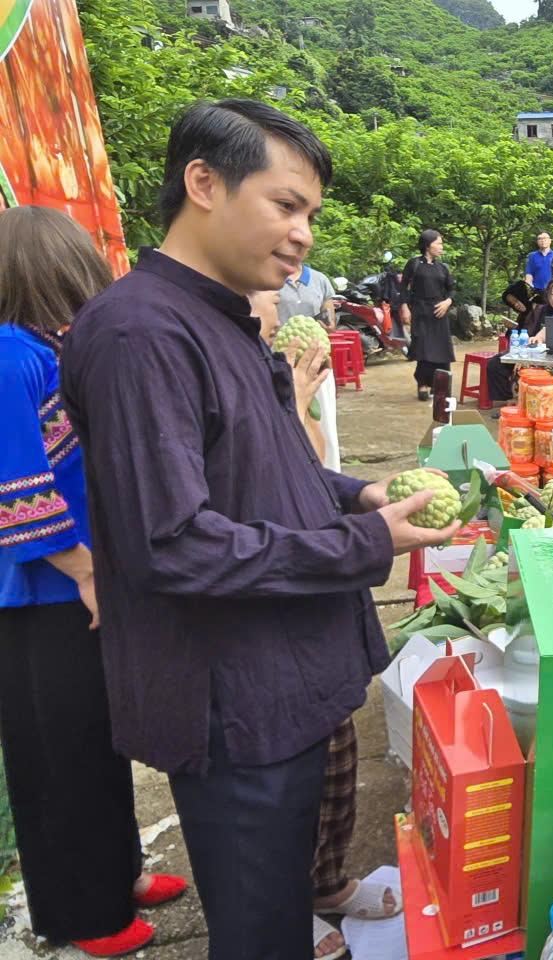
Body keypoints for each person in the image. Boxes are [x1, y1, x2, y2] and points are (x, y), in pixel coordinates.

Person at [59, 98, 461, 960]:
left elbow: (263, 469)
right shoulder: (141, 334)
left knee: (280, 907)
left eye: (310, 213)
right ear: (203, 183)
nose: (305, 233)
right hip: (230, 701)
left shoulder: (225, 318)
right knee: (258, 931)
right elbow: (172, 540)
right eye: (286, 205)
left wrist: (358, 494)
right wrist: (366, 544)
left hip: (277, 683)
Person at [0, 206, 186, 957]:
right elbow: (17, 490)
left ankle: (119, 872)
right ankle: (84, 913)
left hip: (80, 585)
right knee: (58, 759)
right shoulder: (11, 356)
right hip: (45, 596)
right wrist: (84, 574)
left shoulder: (49, 350)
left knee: (101, 743)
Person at [247, 288, 401, 959]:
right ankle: (286, 900)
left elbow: (320, 480)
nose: (281, 338)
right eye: (269, 324)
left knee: (340, 755)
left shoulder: (272, 381)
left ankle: (329, 883)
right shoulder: (239, 390)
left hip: (323, 609)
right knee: (294, 780)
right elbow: (292, 480)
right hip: (277, 611)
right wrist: (299, 406)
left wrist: (367, 493)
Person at [275, 267, 340, 469]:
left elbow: (330, 321)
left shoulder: (319, 279)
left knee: (323, 422)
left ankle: (328, 471)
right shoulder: (270, 276)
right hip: (281, 362)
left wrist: (322, 322)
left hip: (317, 363)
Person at [487, 278, 553, 408]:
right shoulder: (531, 312)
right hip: (528, 350)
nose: (516, 305)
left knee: (527, 369)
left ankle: (526, 403)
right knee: (495, 364)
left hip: (547, 355)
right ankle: (506, 401)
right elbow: (527, 336)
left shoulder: (544, 309)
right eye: (512, 304)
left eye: (517, 301)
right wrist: (513, 330)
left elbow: (537, 335)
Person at [399, 229, 455, 402]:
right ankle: (423, 383)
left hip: (439, 312)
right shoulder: (414, 264)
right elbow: (403, 287)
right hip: (420, 310)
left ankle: (441, 385)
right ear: (427, 245)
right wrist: (404, 307)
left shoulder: (442, 268)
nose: (441, 247)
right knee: (423, 349)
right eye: (438, 243)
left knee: (441, 350)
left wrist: (447, 302)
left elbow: (452, 289)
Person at [278, 262, 336, 329]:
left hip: (314, 338)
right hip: (277, 339)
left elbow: (330, 322)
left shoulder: (320, 279)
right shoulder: (269, 279)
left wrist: (328, 327)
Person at [523, 231, 553, 301]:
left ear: (550, 241)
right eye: (540, 239)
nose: (543, 240)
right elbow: (529, 275)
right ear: (537, 242)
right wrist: (529, 292)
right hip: (537, 291)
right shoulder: (532, 256)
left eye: (545, 238)